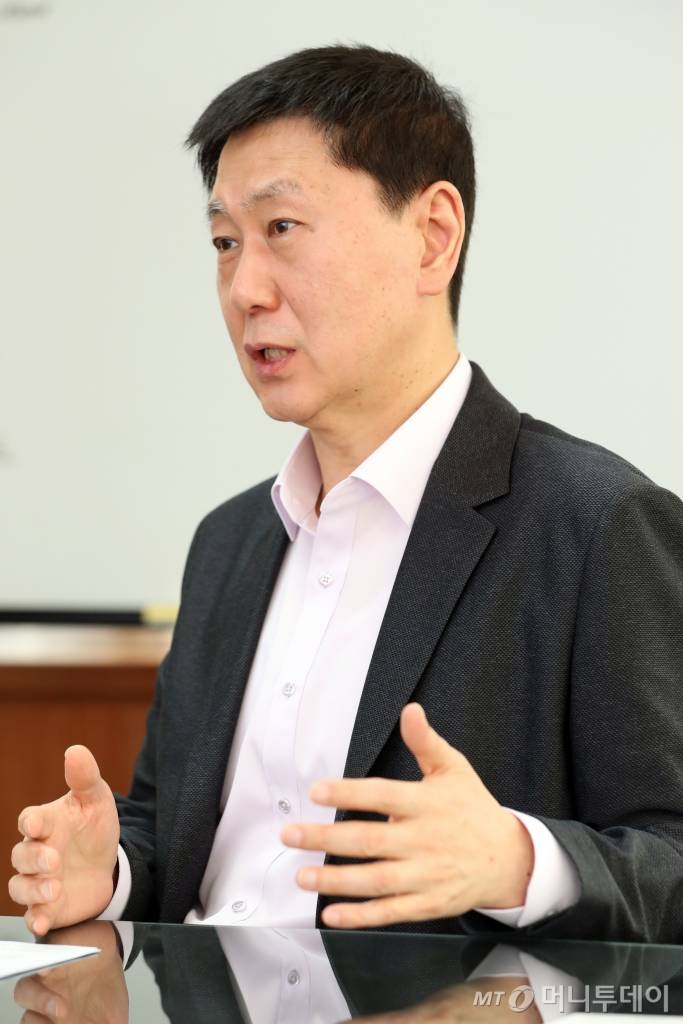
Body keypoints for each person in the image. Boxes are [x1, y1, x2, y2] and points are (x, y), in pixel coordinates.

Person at [9, 45, 683, 943]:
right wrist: (113, 871)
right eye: (224, 243)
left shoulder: (596, 525)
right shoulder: (229, 541)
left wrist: (521, 861)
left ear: (432, 235)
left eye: (282, 228)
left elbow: (671, 855)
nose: (244, 289)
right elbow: (176, 832)